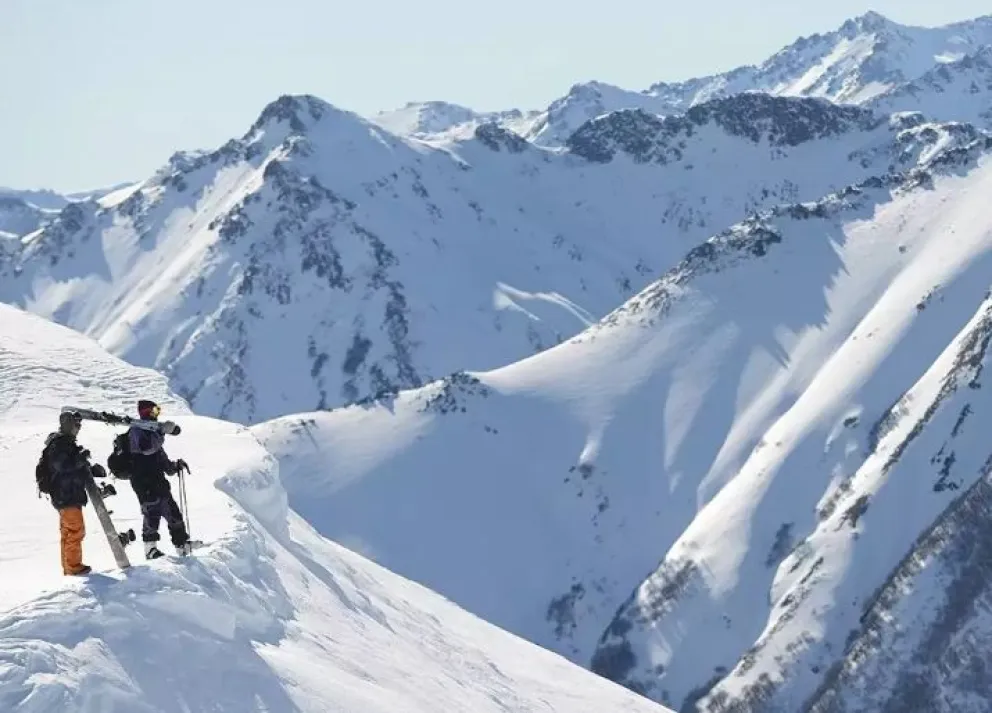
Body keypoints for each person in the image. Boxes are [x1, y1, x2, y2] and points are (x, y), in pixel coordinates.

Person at [41, 410, 106, 576]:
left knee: (68, 532)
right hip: (66, 494)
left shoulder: (65, 443)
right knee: (76, 531)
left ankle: (69, 568)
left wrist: (91, 469)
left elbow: (71, 466)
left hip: (67, 494)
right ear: (68, 425)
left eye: (79, 424)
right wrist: (80, 459)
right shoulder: (60, 444)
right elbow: (62, 466)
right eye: (76, 424)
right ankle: (73, 567)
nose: (78, 428)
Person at [126, 399, 191, 559]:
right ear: (147, 412)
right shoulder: (136, 431)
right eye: (155, 411)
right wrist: (161, 433)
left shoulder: (152, 432)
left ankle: (181, 544)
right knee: (151, 514)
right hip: (143, 481)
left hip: (158, 481)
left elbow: (160, 458)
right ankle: (150, 549)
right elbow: (147, 449)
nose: (157, 415)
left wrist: (174, 466)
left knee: (173, 513)